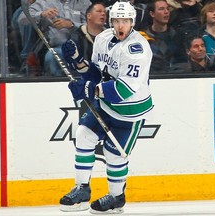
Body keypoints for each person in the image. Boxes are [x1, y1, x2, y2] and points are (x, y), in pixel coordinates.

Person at [60, 1, 154, 214]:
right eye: (117, 20)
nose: (121, 25)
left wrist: (88, 91)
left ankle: (116, 197)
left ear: (132, 22)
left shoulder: (137, 49)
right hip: (106, 104)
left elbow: (124, 89)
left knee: (114, 155)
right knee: (83, 134)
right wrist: (78, 61)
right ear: (111, 21)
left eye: (126, 21)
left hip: (130, 111)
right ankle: (82, 189)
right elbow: (97, 73)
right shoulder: (103, 38)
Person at [18, 0, 91, 76]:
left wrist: (72, 25)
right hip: (58, 48)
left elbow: (94, 26)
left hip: (84, 48)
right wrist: (41, 14)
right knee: (51, 57)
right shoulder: (44, 2)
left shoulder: (84, 2)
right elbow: (21, 19)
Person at [140, 0, 177, 73]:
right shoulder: (143, 37)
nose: (166, 12)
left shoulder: (177, 36)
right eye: (161, 9)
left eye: (167, 9)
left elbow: (182, 62)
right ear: (152, 14)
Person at [11, 0, 40, 76]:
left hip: (49, 5)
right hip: (31, 5)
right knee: (17, 19)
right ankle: (24, 59)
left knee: (26, 17)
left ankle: (27, 58)